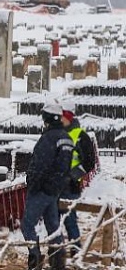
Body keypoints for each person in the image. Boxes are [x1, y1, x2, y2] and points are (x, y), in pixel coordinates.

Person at [19, 102, 74, 270]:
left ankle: (34, 267)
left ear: (47, 118)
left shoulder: (48, 138)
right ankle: (58, 265)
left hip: (42, 189)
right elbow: (65, 166)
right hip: (55, 189)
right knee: (53, 225)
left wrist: (32, 182)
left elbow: (40, 164)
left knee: (28, 225)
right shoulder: (66, 138)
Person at [59, 101, 96, 258]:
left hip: (70, 185)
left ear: (68, 117)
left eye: (62, 117)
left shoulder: (81, 136)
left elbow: (89, 161)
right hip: (55, 184)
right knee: (54, 220)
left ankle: (75, 250)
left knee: (69, 219)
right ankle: (57, 251)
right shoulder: (57, 134)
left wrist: (73, 176)